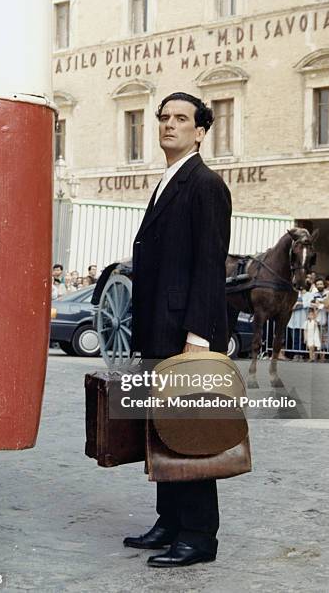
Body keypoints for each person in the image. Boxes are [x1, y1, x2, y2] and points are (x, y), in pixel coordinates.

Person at [126, 92, 232, 567]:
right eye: (163, 117)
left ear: (201, 131)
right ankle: (169, 521)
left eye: (181, 119)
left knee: (191, 431)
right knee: (163, 430)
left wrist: (198, 336)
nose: (169, 125)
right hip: (157, 330)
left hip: (184, 334)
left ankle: (197, 537)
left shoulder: (205, 184)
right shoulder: (168, 181)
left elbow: (210, 267)